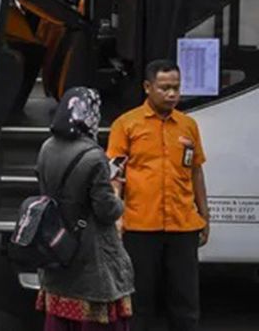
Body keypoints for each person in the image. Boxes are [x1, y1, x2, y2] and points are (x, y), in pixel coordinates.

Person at [107, 59, 209, 331]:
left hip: (182, 226)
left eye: (176, 87)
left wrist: (204, 216)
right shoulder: (125, 125)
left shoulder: (188, 126)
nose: (172, 94)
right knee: (140, 304)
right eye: (164, 88)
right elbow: (115, 176)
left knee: (185, 304)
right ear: (147, 87)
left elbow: (196, 172)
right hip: (141, 227)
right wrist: (117, 219)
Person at [36, 87, 135, 330]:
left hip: (57, 242)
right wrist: (116, 190)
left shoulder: (47, 147)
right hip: (90, 251)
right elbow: (106, 210)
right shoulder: (93, 156)